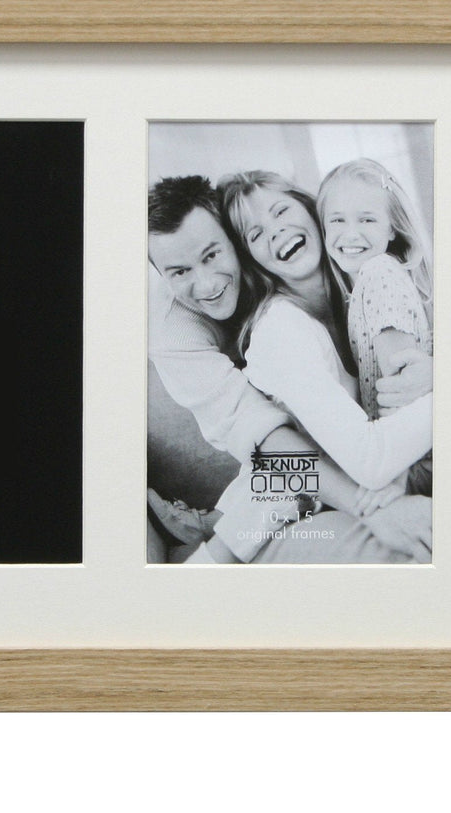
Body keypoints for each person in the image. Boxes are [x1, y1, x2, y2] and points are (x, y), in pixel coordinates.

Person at [148, 176, 430, 563]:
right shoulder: (177, 333)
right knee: (272, 484)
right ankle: (207, 554)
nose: (207, 283)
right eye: (180, 272)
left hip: (339, 453)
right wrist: (374, 509)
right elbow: (265, 441)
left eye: (212, 255)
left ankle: (212, 531)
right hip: (290, 471)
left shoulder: (355, 272)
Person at [219, 170, 432, 518]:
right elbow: (372, 463)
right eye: (255, 234)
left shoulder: (362, 286)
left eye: (281, 211)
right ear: (251, 259)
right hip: (292, 512)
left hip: (374, 489)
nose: (275, 232)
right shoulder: (279, 330)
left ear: (311, 210)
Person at [317, 158, 434, 494]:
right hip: (404, 453)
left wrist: (397, 479)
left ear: (392, 228)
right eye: (337, 219)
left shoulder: (378, 273)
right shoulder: (369, 281)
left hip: (411, 459)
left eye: (367, 219)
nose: (350, 233)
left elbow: (404, 390)